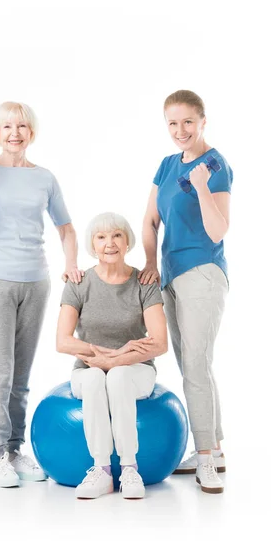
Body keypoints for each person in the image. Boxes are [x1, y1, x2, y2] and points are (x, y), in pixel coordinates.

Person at [0, 101, 83, 487]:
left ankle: (13, 449)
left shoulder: (44, 177)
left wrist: (72, 265)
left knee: (21, 375)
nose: (15, 132)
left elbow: (67, 229)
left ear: (31, 132)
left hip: (36, 281)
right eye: (8, 126)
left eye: (22, 126)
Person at [139, 90, 233, 494]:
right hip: (171, 274)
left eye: (188, 122)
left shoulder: (216, 166)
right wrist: (149, 262)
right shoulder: (165, 165)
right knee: (194, 365)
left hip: (203, 273)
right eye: (173, 123)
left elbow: (218, 230)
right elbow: (150, 220)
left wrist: (201, 188)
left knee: (196, 365)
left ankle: (207, 460)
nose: (180, 131)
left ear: (203, 121)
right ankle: (215, 448)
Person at [56, 212, 167, 499]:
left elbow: (159, 342)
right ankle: (102, 471)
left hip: (136, 369)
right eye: (101, 236)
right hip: (88, 369)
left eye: (117, 235)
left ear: (127, 241)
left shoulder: (144, 283)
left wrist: (116, 360)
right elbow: (63, 342)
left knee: (116, 376)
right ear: (93, 244)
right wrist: (100, 355)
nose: (110, 243)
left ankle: (129, 468)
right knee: (95, 379)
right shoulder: (79, 283)